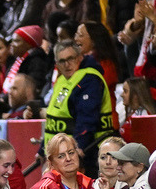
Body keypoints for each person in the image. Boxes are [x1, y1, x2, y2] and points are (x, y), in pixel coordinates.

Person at [44, 40, 115, 178]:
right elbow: (53, 117)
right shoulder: (62, 80)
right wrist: (43, 150)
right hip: (61, 153)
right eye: (62, 61)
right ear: (56, 63)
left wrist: (79, 146)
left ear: (80, 58)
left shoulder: (89, 80)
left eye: (70, 59)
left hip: (89, 153)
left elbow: (87, 118)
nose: (67, 64)